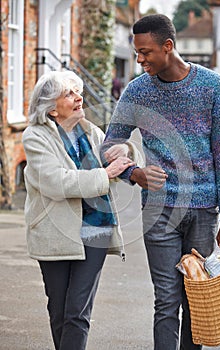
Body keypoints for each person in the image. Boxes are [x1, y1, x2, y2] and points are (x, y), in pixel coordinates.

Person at [101, 14, 220, 350]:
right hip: (159, 212)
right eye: (137, 53)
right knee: (166, 300)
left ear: (168, 46)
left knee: (195, 298)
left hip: (204, 211)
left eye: (146, 52)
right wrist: (134, 173)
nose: (140, 59)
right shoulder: (137, 91)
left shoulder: (212, 86)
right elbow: (108, 145)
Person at [22, 70, 137, 350]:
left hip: (96, 228)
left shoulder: (91, 131)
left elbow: (115, 158)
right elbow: (56, 182)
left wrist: (126, 151)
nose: (78, 97)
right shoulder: (35, 138)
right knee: (59, 309)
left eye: (78, 91)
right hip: (55, 232)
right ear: (50, 109)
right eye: (69, 94)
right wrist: (105, 174)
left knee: (77, 311)